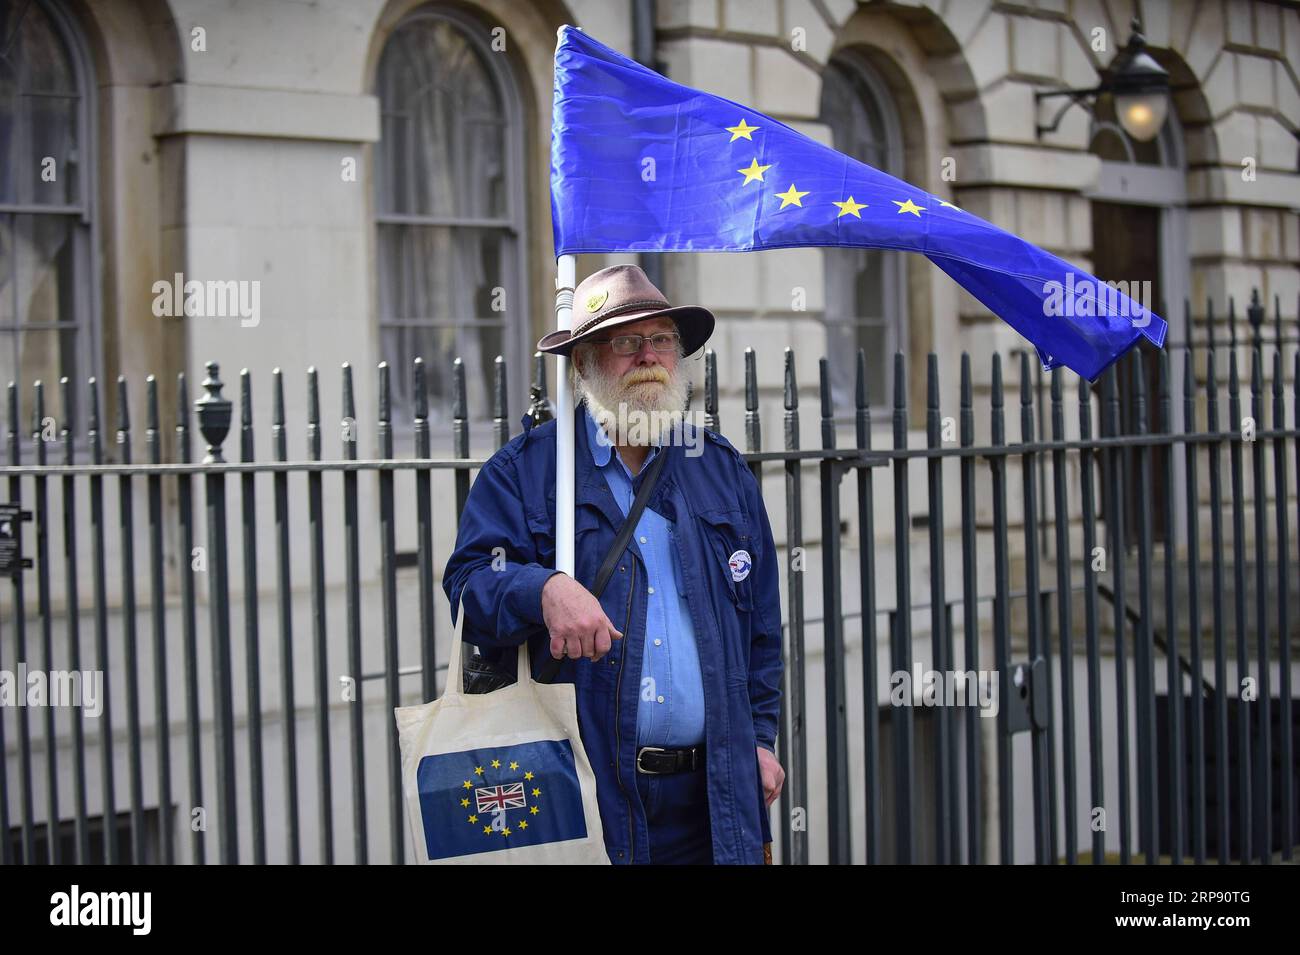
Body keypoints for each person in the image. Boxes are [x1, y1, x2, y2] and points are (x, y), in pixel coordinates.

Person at [443, 264, 785, 864]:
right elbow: (469, 585)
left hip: (713, 800)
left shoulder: (721, 469)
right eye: (626, 342)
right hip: (583, 789)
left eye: (661, 340)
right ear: (583, 363)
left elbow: (760, 628)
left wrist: (758, 739)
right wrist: (542, 589)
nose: (648, 356)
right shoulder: (527, 471)